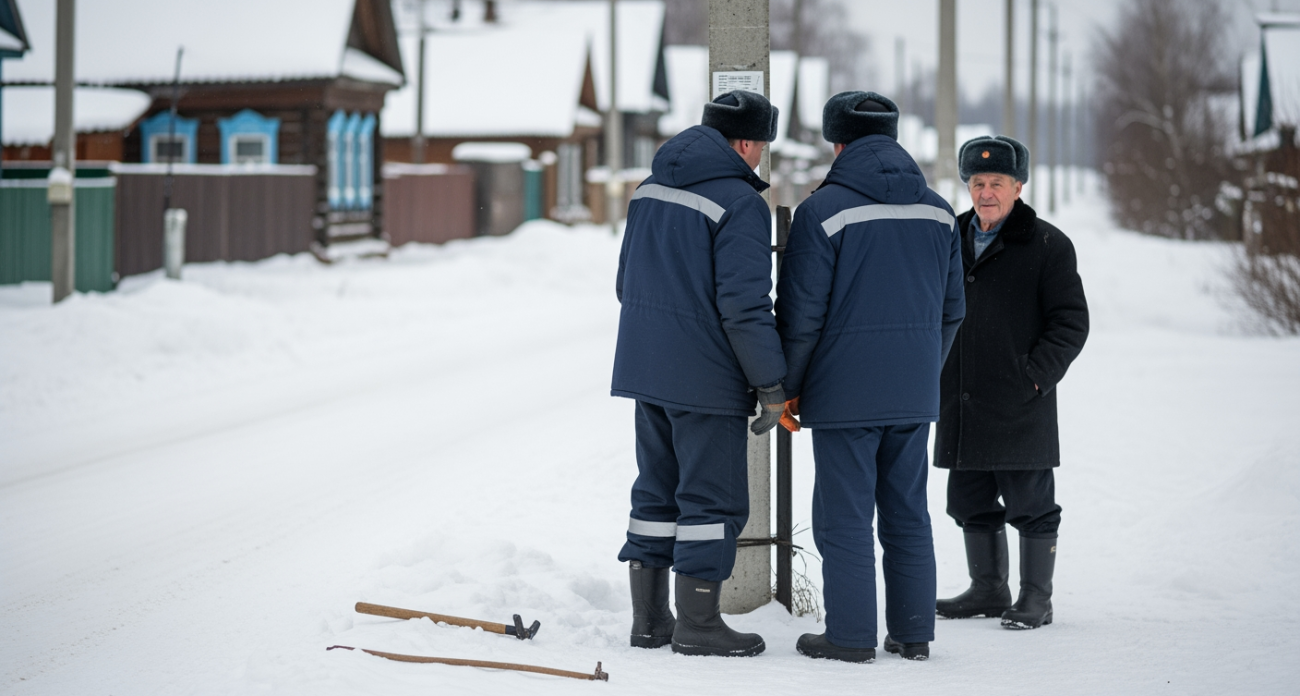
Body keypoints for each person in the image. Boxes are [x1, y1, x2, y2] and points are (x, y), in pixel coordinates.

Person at [775, 91, 966, 663]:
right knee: (908, 512)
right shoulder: (937, 210)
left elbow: (803, 314)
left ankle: (850, 636)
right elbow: (953, 309)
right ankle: (912, 633)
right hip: (912, 393)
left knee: (845, 515)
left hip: (843, 394)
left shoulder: (823, 211)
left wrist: (789, 385)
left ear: (837, 142)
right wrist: (921, 370)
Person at [612, 90, 786, 657]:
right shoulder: (739, 203)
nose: (760, 157)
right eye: (761, 145)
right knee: (713, 502)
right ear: (744, 142)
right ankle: (700, 624)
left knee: (657, 493)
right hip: (706, 377)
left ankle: (649, 621)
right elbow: (744, 306)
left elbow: (625, 283)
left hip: (645, 367)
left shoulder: (650, 188)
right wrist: (770, 383)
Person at [933, 135, 1089, 630]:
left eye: (996, 182)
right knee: (968, 501)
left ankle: (1035, 599)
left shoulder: (1048, 244)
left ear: (1018, 185)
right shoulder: (948, 237)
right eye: (977, 183)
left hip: (1020, 401)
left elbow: (1071, 323)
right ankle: (989, 589)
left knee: (1032, 504)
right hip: (962, 397)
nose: (985, 193)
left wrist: (1035, 378)